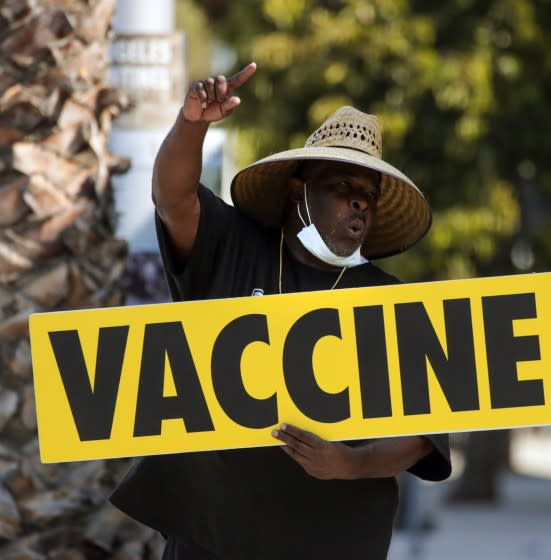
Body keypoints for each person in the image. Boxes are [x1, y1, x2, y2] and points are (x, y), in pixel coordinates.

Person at [109, 62, 451, 559]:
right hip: (211, 541)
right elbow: (172, 198)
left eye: (367, 199)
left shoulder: (388, 299)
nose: (358, 207)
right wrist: (192, 124)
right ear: (299, 190)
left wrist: (350, 464)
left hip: (331, 543)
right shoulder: (231, 245)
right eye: (342, 190)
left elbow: (425, 435)